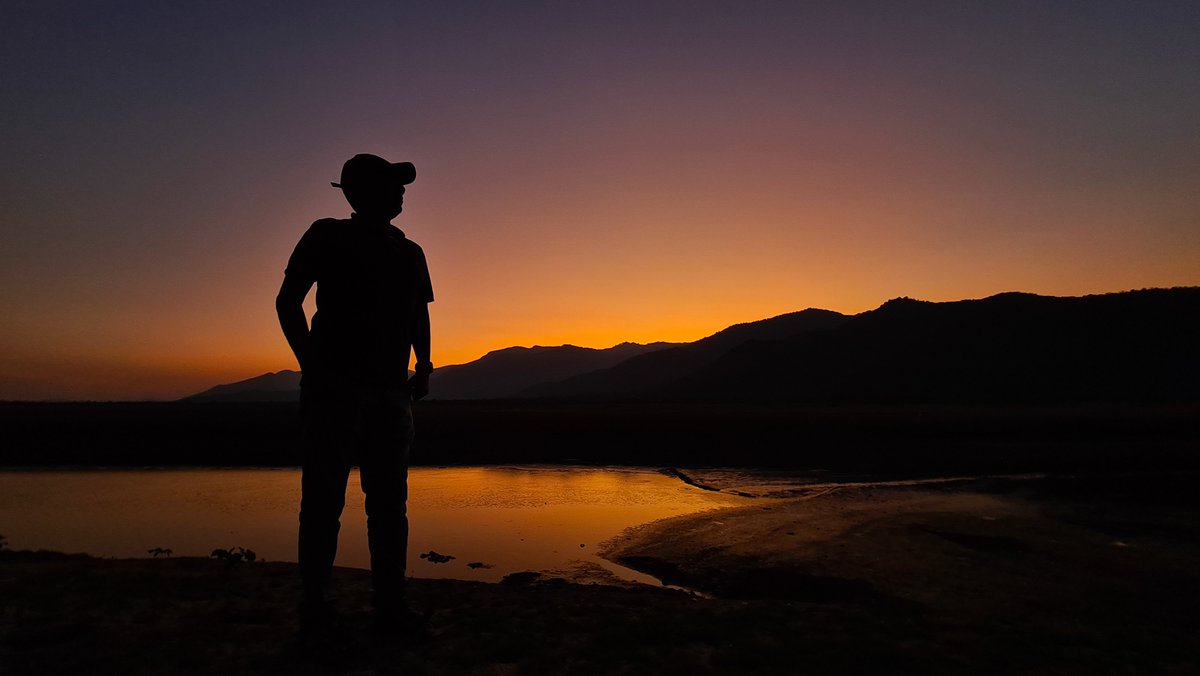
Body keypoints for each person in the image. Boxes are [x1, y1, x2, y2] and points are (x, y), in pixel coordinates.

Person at [276, 153, 434, 635]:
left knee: (389, 504)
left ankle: (390, 605)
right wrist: (313, 366)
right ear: (362, 191)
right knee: (325, 500)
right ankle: (317, 606)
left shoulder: (409, 251)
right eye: (392, 184)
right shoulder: (327, 234)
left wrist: (423, 366)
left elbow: (418, 314)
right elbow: (288, 302)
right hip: (337, 391)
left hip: (391, 392)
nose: (402, 192)